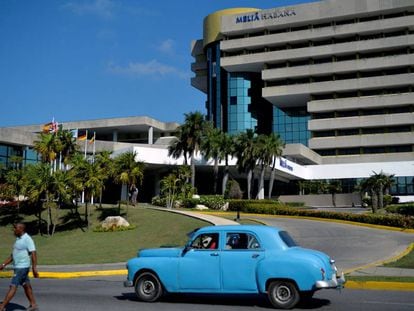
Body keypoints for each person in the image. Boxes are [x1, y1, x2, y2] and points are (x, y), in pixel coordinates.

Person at [0, 223, 39, 311]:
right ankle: (33, 304)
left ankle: (2, 306)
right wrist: (3, 264)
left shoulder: (27, 239)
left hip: (22, 267)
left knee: (13, 286)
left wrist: (34, 268)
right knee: (26, 285)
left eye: (15, 228)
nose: (14, 230)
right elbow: (13, 255)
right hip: (19, 267)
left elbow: (33, 253)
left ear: (21, 229)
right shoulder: (18, 239)